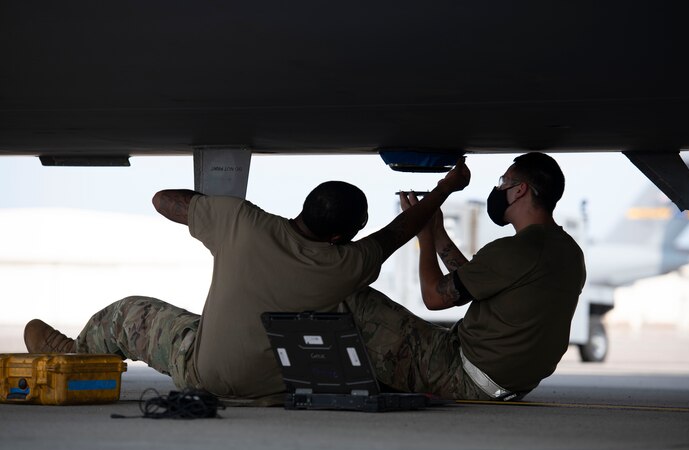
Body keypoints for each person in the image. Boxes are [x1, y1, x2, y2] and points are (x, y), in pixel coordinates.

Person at [23, 157, 471, 399]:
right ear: (340, 236)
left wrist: (209, 209)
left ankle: (76, 354)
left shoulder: (241, 221)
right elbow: (397, 232)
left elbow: (163, 200)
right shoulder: (346, 266)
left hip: (203, 371)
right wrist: (444, 189)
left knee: (127, 313)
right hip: (274, 388)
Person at [344, 152, 586, 400]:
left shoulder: (516, 250)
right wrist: (437, 233)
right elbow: (472, 281)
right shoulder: (568, 251)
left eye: (504, 181)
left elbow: (434, 297)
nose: (498, 188)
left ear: (520, 190)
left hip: (462, 374)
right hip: (505, 383)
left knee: (352, 296)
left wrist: (423, 237)